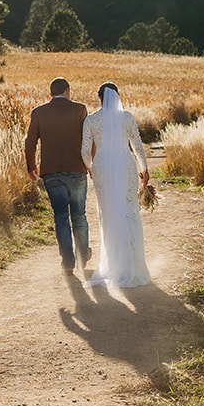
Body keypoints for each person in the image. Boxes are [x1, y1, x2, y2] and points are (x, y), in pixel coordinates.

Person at [80, 81, 150, 288]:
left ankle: (115, 265)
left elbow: (84, 152)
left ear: (99, 98)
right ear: (117, 97)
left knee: (109, 213)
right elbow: (137, 146)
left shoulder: (91, 120)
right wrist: (144, 169)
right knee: (129, 211)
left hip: (101, 167)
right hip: (126, 166)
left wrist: (90, 167)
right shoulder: (127, 117)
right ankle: (135, 266)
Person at [24, 77, 90, 275]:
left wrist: (31, 167)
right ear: (68, 91)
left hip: (51, 173)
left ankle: (68, 263)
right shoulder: (80, 109)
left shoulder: (39, 112)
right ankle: (83, 256)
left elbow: (29, 141)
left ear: (50, 94)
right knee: (79, 215)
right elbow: (87, 139)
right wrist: (90, 164)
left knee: (61, 216)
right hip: (77, 170)